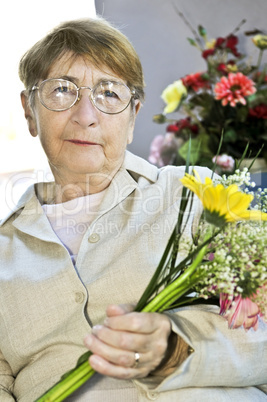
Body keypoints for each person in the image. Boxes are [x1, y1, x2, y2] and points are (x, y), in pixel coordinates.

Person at [0, 17, 266, 402]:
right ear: (29, 111)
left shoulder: (195, 195)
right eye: (62, 90)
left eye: (109, 94)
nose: (85, 115)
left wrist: (172, 354)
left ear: (133, 115)